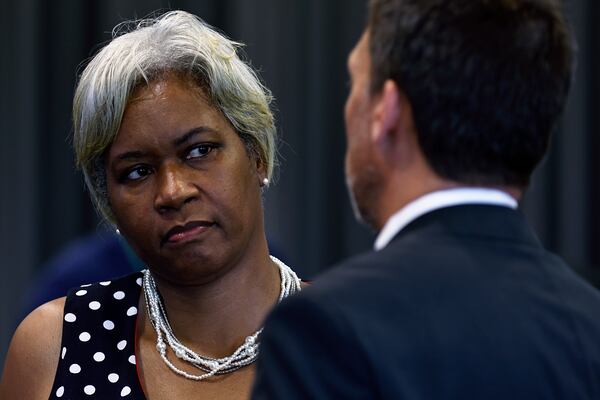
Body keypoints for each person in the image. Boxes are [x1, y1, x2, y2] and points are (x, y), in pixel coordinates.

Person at [252, 1, 600, 399]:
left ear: (388, 112)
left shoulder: (321, 329)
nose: (349, 108)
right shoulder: (590, 325)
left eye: (355, 84)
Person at [0, 10, 302, 400]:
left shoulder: (354, 335)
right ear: (107, 201)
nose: (173, 191)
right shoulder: (54, 346)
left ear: (256, 153)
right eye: (138, 172)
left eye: (199, 150)